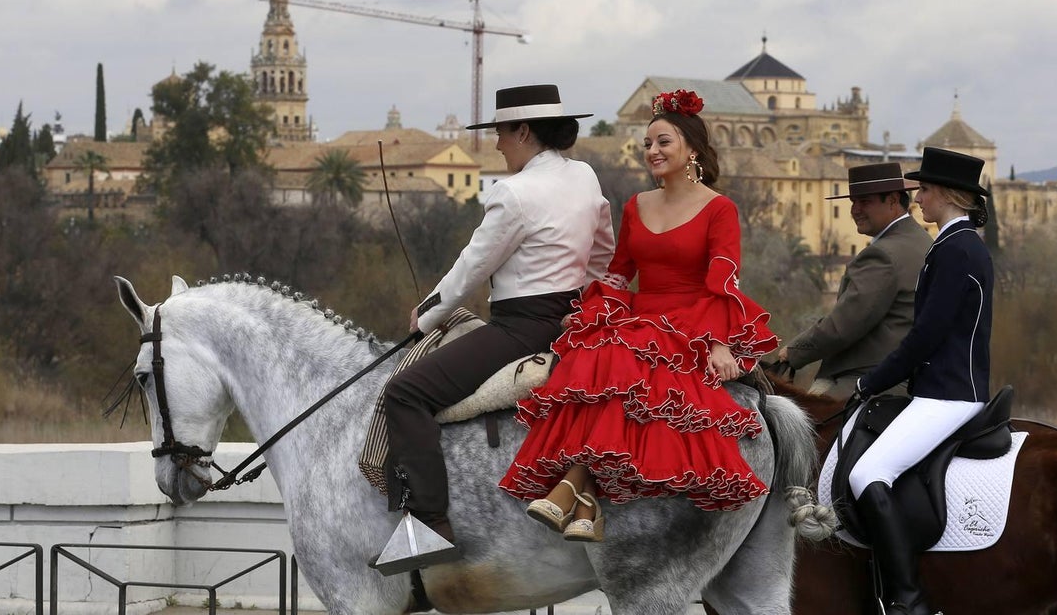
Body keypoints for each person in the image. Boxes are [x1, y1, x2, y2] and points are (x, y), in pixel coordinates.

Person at [498, 89, 778, 542]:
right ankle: (584, 499)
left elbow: (723, 282)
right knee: (596, 355)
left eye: (663, 142)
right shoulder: (635, 205)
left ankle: (575, 489)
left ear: (691, 148)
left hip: (690, 321)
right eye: (647, 144)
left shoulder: (720, 209)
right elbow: (619, 272)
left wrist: (720, 342)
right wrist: (590, 311)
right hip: (640, 315)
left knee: (618, 361)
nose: (652, 152)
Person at [382, 83, 615, 564]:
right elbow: (603, 253)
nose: (496, 143)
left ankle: (430, 525)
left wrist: (426, 314)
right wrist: (585, 305)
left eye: (501, 132)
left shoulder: (514, 192)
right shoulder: (585, 175)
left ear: (524, 131)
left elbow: (473, 267)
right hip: (574, 320)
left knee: (405, 392)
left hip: (522, 328)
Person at [847, 147, 993, 615]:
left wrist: (871, 382)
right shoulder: (954, 244)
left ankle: (909, 600)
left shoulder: (956, 249)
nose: (919, 198)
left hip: (949, 394)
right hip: (943, 389)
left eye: (924, 189)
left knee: (867, 472)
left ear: (947, 194)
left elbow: (926, 336)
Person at [779, 162, 932, 398]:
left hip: (869, 376)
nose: (855, 209)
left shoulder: (883, 254)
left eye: (865, 202)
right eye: (853, 202)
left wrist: (793, 352)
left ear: (892, 200)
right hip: (905, 374)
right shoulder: (920, 240)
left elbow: (844, 324)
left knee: (805, 429)